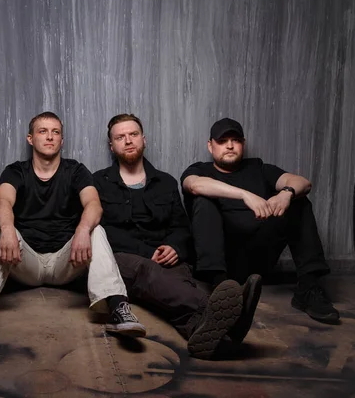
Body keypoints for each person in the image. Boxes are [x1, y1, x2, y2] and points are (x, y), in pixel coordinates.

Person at [0, 111, 146, 342]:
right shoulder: (15, 171)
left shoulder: (75, 170)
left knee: (96, 229)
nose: (49, 137)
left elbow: (93, 204)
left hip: (67, 261)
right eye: (42, 131)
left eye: (55, 132)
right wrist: (7, 230)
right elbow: (4, 201)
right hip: (25, 261)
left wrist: (83, 230)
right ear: (30, 138)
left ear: (61, 140)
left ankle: (118, 308)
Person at [94, 114, 260, 359]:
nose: (128, 141)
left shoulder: (166, 182)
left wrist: (174, 247)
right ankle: (225, 312)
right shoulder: (99, 181)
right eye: (120, 137)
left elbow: (182, 227)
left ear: (144, 139)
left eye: (133, 134)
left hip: (166, 258)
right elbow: (101, 229)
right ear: (112, 145)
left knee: (178, 287)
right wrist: (146, 252)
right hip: (123, 259)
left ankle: (210, 341)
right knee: (148, 271)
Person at [181, 117, 339, 324]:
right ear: (210, 146)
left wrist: (286, 193)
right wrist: (245, 195)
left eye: (235, 140)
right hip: (221, 263)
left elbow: (303, 183)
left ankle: (308, 288)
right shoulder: (200, 170)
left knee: (298, 201)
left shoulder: (259, 168)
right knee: (204, 201)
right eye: (222, 141)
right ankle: (219, 291)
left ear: (243, 144)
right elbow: (194, 185)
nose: (229, 145)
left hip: (257, 258)